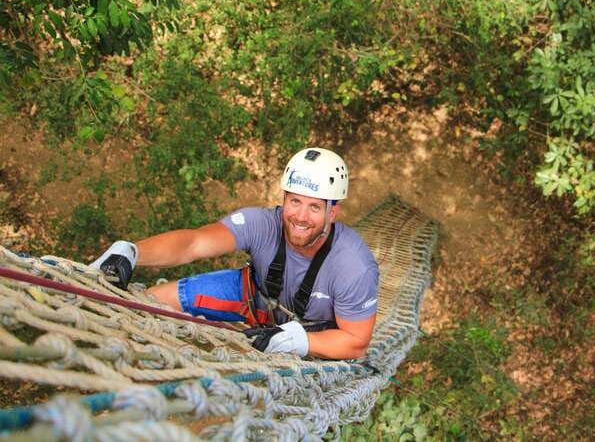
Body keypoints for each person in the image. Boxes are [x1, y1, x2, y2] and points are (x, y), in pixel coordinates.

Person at [88, 148, 379, 360]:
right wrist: (133, 252)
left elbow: (356, 342)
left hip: (310, 333)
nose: (300, 217)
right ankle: (115, 349)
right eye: (294, 202)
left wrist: (299, 342)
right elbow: (193, 242)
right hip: (255, 298)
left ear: (333, 211)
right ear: (283, 200)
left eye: (314, 207)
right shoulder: (262, 224)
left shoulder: (353, 266)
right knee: (152, 299)